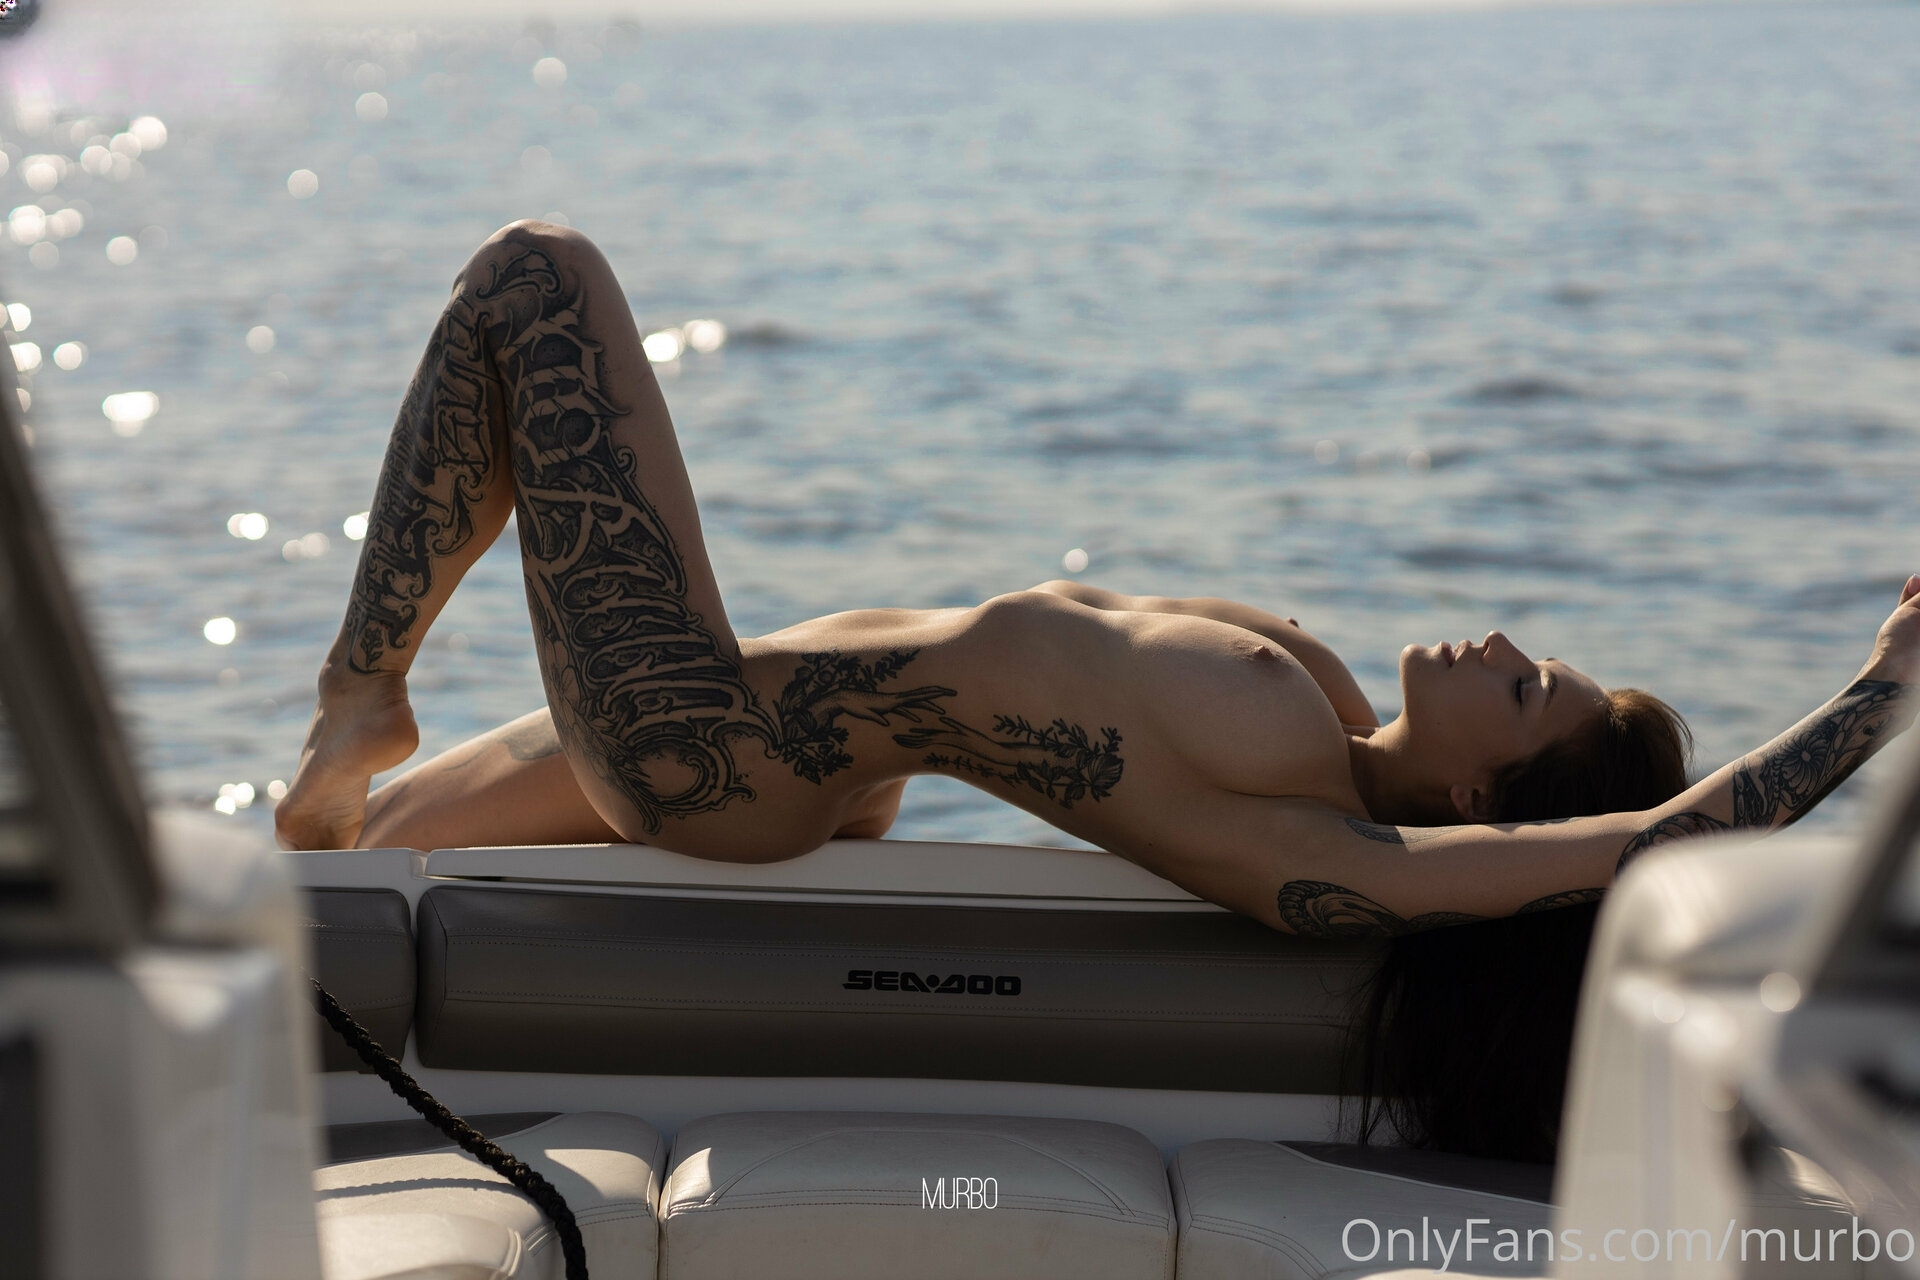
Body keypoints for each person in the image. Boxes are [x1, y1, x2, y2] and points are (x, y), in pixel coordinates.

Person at [276, 221, 1920, 950]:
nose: (1502, 643)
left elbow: (1649, 847)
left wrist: (1885, 690)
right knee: (357, 866)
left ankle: (361, 689)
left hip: (699, 745)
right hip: (800, 740)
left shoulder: (1311, 844)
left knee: (535, 277)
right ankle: (343, 790)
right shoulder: (1322, 698)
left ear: (1488, 795)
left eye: (1527, 684)